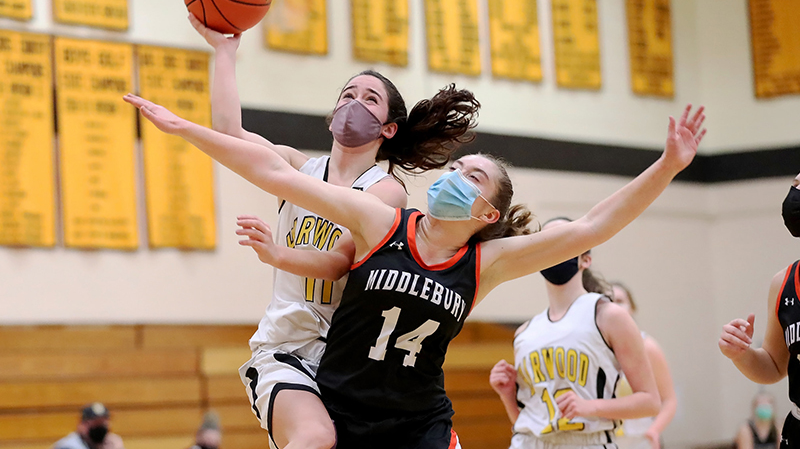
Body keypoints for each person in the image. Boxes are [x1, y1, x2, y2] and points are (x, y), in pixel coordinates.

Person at [122, 91, 705, 449]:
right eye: (456, 165)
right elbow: (277, 176)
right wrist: (183, 129)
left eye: (472, 175)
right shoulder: (382, 224)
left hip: (419, 423)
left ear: (488, 213)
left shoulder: (488, 262)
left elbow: (593, 227)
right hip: (344, 408)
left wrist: (668, 166)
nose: (455, 174)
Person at [188, 15, 479, 449]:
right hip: (286, 348)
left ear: (388, 128)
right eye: (347, 94)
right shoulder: (297, 167)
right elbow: (229, 132)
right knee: (314, 437)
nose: (354, 103)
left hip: (348, 364)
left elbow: (338, 262)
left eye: (369, 99)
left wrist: (278, 253)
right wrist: (225, 52)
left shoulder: (386, 192)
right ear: (331, 117)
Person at [489, 218, 660, 449]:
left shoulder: (608, 315)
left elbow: (650, 402)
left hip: (588, 442)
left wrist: (591, 407)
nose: (554, 246)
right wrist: (507, 395)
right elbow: (528, 422)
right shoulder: (525, 332)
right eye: (546, 241)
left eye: (564, 238)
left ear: (585, 259)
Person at [719, 171, 800, 449]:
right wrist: (741, 354)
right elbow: (775, 366)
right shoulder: (784, 283)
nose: (797, 190)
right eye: (796, 183)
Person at [611, 282, 677, 449]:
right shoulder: (595, 348)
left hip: (639, 439)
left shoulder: (647, 347)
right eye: (608, 301)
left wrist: (654, 432)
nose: (615, 307)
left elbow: (669, 400)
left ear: (631, 307)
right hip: (605, 439)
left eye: (619, 301)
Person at [52, 403, 124, 449]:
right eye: (95, 423)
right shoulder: (67, 446)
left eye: (103, 423)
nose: (99, 427)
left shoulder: (111, 443)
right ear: (81, 425)